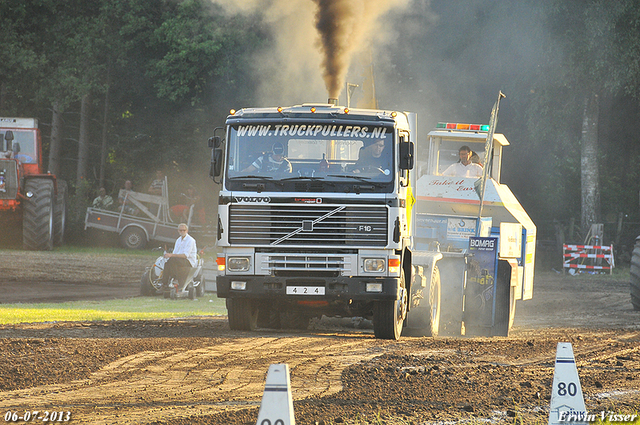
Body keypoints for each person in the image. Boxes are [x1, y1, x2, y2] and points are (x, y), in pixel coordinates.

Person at [161, 223, 197, 289]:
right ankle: (164, 283)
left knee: (172, 260)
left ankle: (175, 279)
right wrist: (168, 255)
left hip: (188, 261)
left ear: (187, 231)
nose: (182, 232)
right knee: (167, 263)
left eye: (184, 230)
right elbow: (175, 253)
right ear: (178, 231)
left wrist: (171, 255)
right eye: (181, 230)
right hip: (178, 260)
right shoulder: (178, 240)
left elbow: (185, 255)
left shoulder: (190, 240)